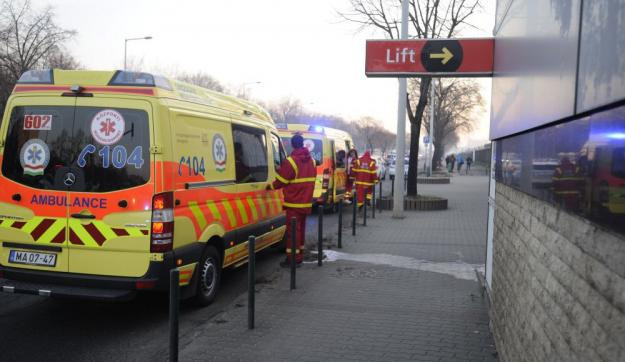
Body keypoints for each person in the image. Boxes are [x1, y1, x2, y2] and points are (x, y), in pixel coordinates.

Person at [268, 134, 316, 267]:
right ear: (303, 144)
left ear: (292, 144)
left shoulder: (291, 161)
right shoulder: (311, 160)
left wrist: (269, 186)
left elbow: (281, 181)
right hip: (306, 203)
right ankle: (299, 255)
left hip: (293, 203)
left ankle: (292, 259)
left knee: (293, 232)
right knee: (300, 231)